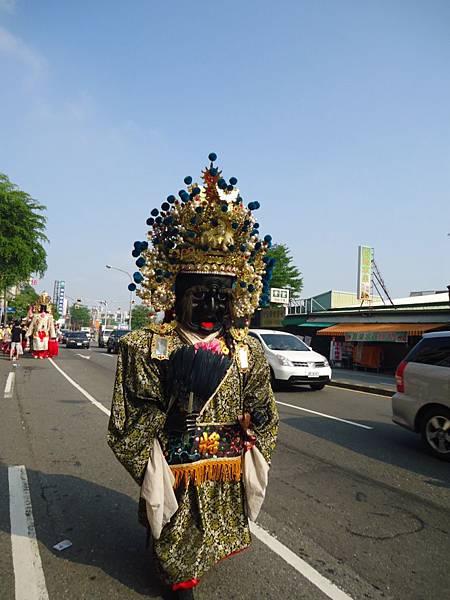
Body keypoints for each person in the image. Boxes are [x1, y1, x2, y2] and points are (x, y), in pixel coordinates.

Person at [108, 153, 279, 599]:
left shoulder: (245, 349)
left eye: (221, 300)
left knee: (214, 530)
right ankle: (176, 575)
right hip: (173, 458)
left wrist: (252, 433)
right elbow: (127, 416)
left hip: (222, 463)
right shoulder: (145, 346)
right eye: (199, 297)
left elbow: (264, 409)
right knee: (176, 539)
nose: (211, 311)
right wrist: (164, 420)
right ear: (176, 294)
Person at [26, 293, 57, 359]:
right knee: (37, 343)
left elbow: (51, 326)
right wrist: (28, 333)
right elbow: (32, 325)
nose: (43, 308)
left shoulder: (49, 316)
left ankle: (42, 354)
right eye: (41, 306)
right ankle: (36, 353)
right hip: (37, 332)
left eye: (44, 307)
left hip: (45, 332)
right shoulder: (36, 316)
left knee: (44, 344)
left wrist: (53, 335)